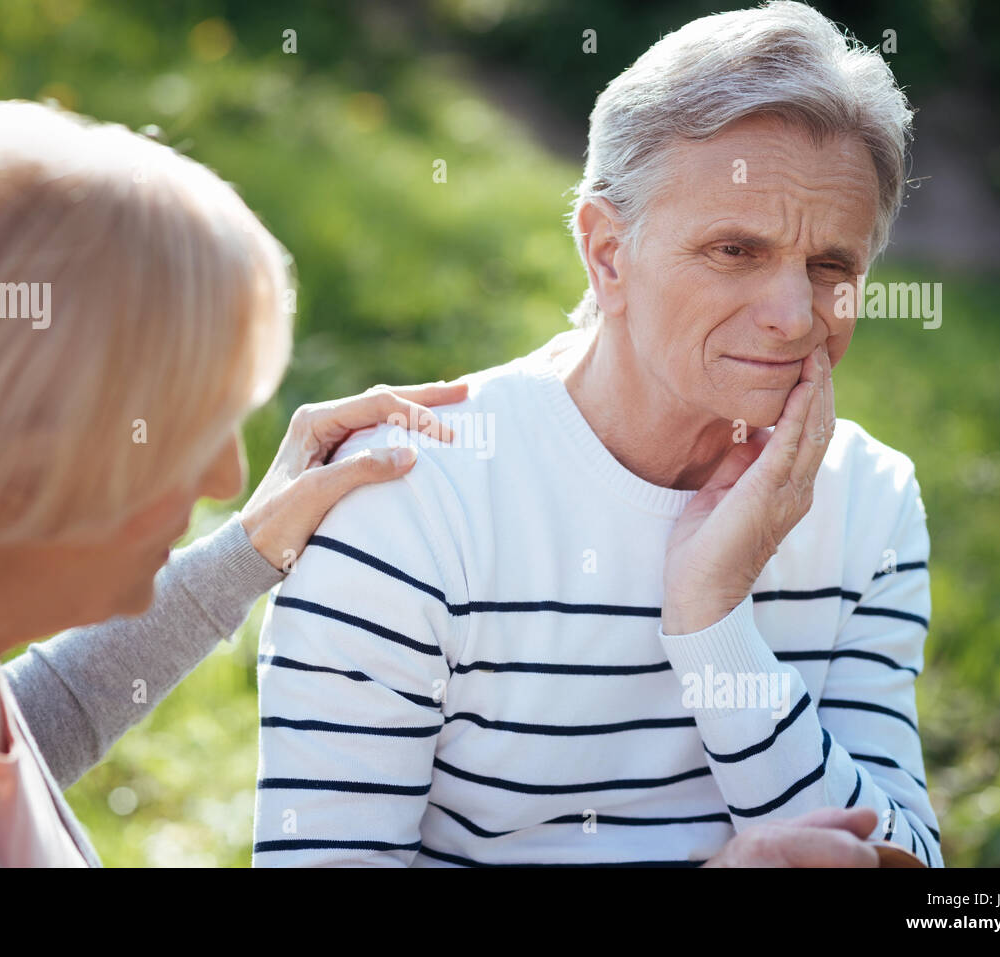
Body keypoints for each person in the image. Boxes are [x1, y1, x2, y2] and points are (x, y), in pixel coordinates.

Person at [251, 1, 943, 867]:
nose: (794, 316)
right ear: (607, 254)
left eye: (831, 266)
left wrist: (715, 624)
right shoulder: (403, 497)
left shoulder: (871, 499)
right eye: (736, 250)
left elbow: (920, 877)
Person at [0, 99, 466, 866]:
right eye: (191, 434)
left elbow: (1, 761)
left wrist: (249, 547)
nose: (226, 474)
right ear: (33, 453)